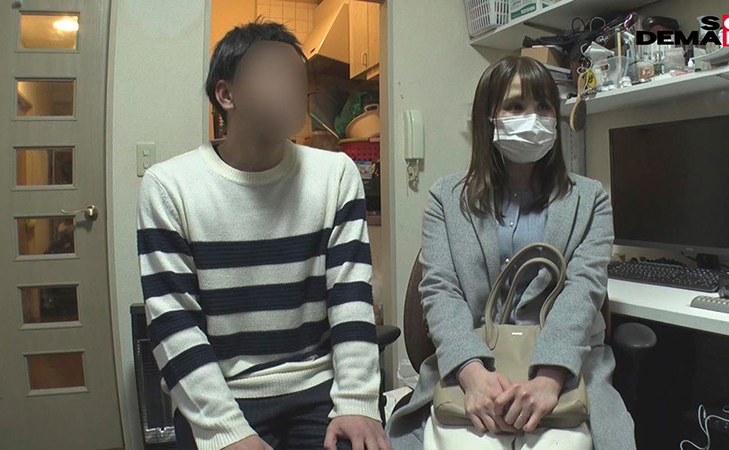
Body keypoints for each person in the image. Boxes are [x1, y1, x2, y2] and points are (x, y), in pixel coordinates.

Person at [136, 21, 391, 450]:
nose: (291, 88)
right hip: (224, 392)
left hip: (318, 386)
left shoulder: (335, 174)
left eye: (297, 78)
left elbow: (350, 297)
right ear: (226, 95)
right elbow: (173, 322)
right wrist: (227, 432)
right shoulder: (170, 186)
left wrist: (357, 401)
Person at [386, 55, 635, 449]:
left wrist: (549, 377)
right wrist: (472, 375)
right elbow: (440, 291)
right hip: (471, 368)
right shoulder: (445, 199)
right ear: (488, 118)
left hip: (564, 370)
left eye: (543, 107)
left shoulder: (590, 200)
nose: (532, 118)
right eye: (515, 106)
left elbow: (583, 290)